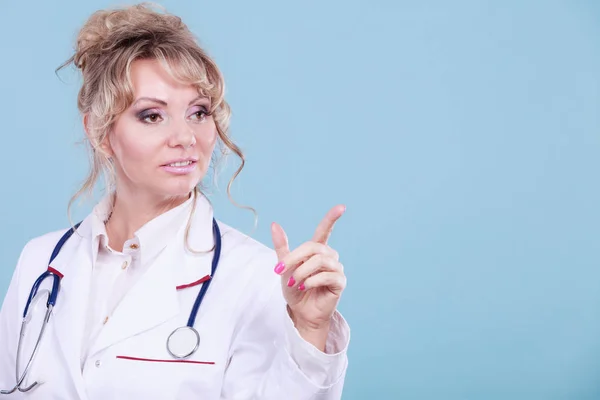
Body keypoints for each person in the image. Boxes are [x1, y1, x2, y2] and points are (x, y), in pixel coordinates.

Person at [0, 3, 350, 399]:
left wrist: (310, 330)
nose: (185, 137)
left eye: (198, 112)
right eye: (152, 115)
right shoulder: (39, 264)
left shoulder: (256, 278)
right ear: (99, 132)